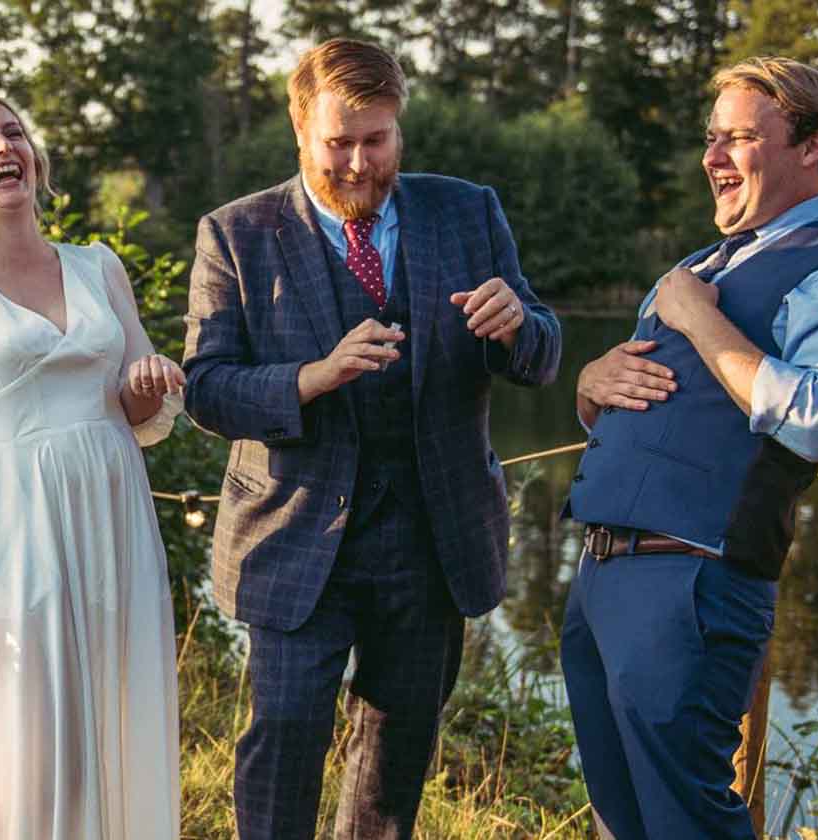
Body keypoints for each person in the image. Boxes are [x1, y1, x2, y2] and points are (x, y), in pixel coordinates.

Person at [182, 39, 562, 840]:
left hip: (432, 540)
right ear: (299, 131)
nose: (356, 163)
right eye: (337, 143)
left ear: (399, 130)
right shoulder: (236, 234)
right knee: (282, 739)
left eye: (376, 140)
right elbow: (207, 390)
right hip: (291, 540)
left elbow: (542, 356)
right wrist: (310, 378)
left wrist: (517, 326)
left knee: (395, 763)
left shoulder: (466, 210)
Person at [562, 56, 818, 839]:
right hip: (599, 574)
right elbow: (651, 415)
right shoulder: (697, 267)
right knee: (621, 816)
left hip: (693, 580)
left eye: (739, 139)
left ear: (811, 145)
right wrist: (591, 384)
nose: (711, 159)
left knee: (687, 818)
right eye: (710, 138)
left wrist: (695, 320)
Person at [0, 90, 184, 840]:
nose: (0, 147)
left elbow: (138, 411)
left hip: (112, 515)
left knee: (111, 710)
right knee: (25, 727)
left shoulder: (97, 267)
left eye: (11, 132)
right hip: (10, 527)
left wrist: (146, 387)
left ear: (34, 158)